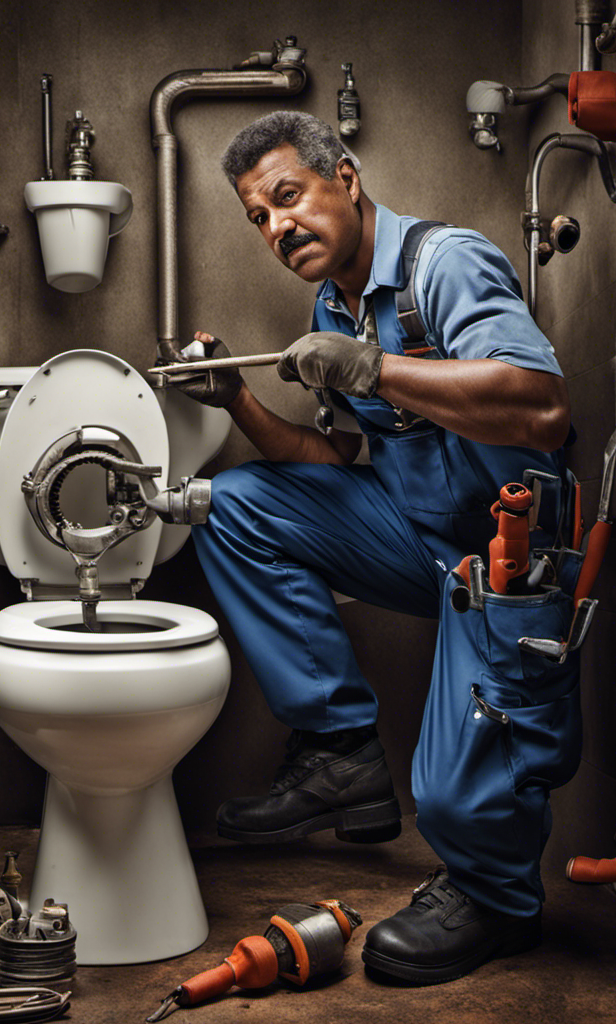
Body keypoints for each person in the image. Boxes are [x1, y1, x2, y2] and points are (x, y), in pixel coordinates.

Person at [167, 111, 583, 985]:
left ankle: (497, 897)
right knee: (234, 502)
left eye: (289, 197)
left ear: (344, 179)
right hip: (414, 535)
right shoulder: (334, 305)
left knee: (449, 791)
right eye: (260, 218)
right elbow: (336, 460)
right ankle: (340, 752)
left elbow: (543, 409)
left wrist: (373, 369)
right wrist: (234, 401)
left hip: (504, 560)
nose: (279, 228)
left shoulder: (444, 264)